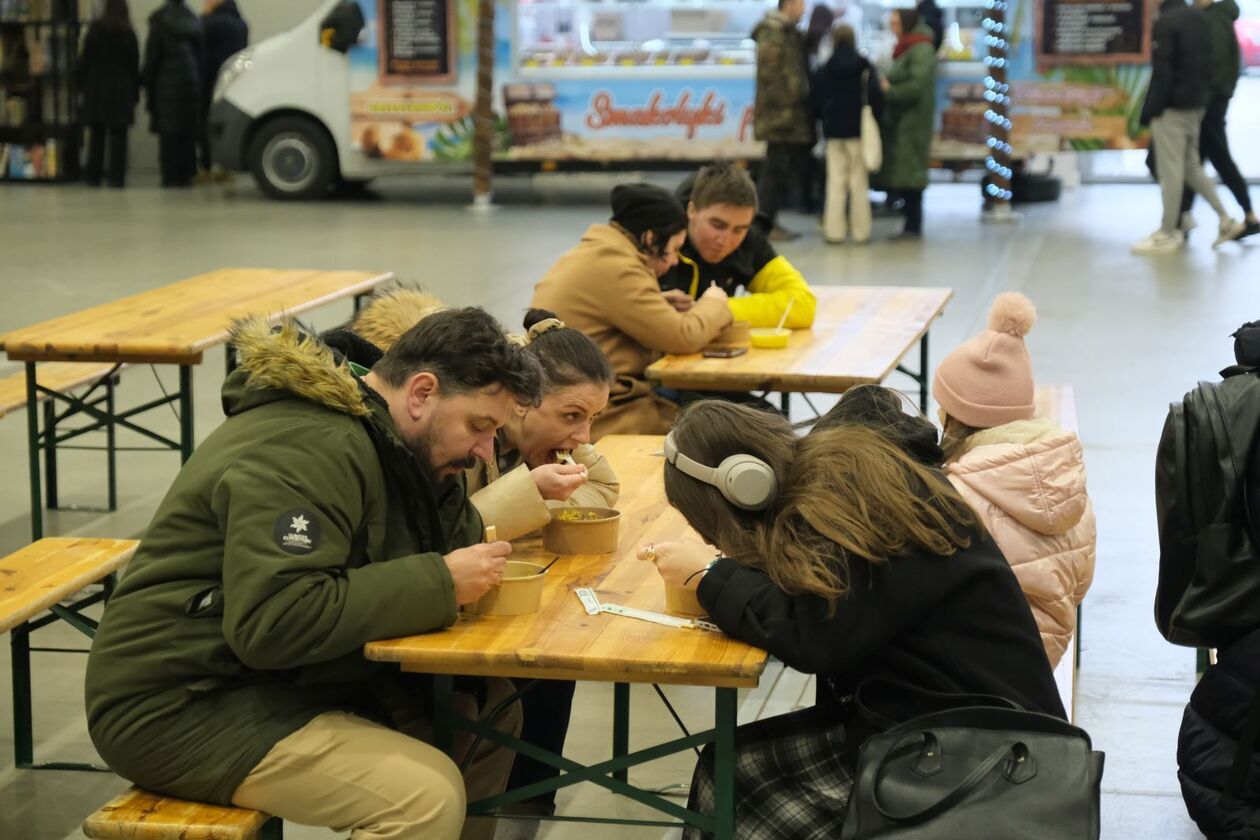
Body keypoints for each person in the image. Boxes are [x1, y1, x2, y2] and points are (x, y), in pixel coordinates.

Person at [85, 308, 545, 840]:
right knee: (422, 797)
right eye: (480, 427)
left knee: (490, 713)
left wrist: (442, 497)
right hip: (181, 702)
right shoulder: (306, 445)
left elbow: (441, 540)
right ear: (420, 393)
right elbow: (275, 622)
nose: (486, 450)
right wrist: (440, 582)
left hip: (279, 677)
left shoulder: (391, 443)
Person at [639, 398, 1065, 837]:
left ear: (745, 487)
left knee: (731, 783)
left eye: (712, 526)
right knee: (726, 771)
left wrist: (710, 576)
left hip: (989, 755)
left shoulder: (860, 504)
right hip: (933, 718)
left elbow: (815, 635)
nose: (718, 540)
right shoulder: (843, 478)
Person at [934, 293, 1096, 669]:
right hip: (1042, 659)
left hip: (976, 668)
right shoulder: (1068, 476)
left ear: (957, 416)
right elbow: (1080, 582)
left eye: (943, 405)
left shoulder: (957, 493)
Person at [531, 183, 732, 439]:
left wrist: (657, 302)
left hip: (576, 406)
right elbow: (683, 336)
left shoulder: (599, 252)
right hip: (603, 416)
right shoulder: (619, 266)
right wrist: (714, 302)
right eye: (674, 249)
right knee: (720, 437)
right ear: (650, 237)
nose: (673, 262)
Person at [1134, 0, 1245, 254]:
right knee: (1191, 166)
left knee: (1170, 170)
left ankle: (1167, 232)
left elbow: (1163, 74)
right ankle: (1225, 219)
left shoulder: (1167, 22)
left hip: (1172, 108)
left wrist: (1150, 111)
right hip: (1197, 106)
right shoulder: (1199, 18)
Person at [659, 162, 817, 329]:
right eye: (717, 225)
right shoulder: (657, 238)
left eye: (739, 230)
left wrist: (715, 310)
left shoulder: (750, 237)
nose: (725, 240)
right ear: (692, 211)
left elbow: (802, 304)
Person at [1175, 0, 1258, 239]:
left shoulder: (1212, 20)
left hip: (1209, 104)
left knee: (1211, 158)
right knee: (1196, 158)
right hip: (1213, 101)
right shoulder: (1221, 18)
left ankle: (1247, 214)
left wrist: (1205, 99)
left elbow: (1218, 66)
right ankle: (1183, 216)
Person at [813, 24, 883, 244]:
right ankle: (861, 232)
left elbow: (815, 100)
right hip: (858, 130)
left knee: (835, 182)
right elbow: (877, 97)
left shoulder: (826, 68)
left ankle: (834, 231)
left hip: (833, 130)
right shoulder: (864, 66)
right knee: (859, 183)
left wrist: (822, 120)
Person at [752, 0, 814, 241]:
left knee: (779, 168)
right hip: (778, 115)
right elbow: (771, 75)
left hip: (788, 114)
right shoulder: (773, 32)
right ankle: (763, 224)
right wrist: (789, 100)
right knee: (772, 170)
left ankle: (769, 221)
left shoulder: (789, 32)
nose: (804, 8)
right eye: (801, 3)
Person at [878, 8, 937, 239]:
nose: (893, 27)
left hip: (913, 121)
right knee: (906, 171)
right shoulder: (907, 47)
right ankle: (909, 222)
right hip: (903, 120)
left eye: (896, 22)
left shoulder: (920, 49)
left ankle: (913, 224)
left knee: (912, 172)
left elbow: (915, 86)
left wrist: (889, 90)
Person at [77, 0, 140, 188]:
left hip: (96, 88)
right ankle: (116, 178)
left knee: (97, 135)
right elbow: (134, 65)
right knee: (119, 136)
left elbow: (84, 60)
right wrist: (135, 93)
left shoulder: (94, 30)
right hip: (121, 89)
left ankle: (93, 176)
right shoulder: (128, 32)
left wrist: (80, 85)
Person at [142, 0, 203, 187]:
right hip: (190, 82)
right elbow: (201, 54)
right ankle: (186, 175)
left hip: (165, 84)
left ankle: (170, 176)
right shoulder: (193, 20)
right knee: (187, 132)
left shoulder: (160, 21)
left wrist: (145, 80)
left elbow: (152, 56)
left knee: (169, 134)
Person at [198, 0, 248, 177]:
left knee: (206, 123)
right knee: (228, 123)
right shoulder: (241, 24)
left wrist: (203, 17)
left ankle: (206, 167)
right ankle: (226, 169)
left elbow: (199, 46)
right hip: (234, 81)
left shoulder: (211, 23)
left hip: (210, 80)